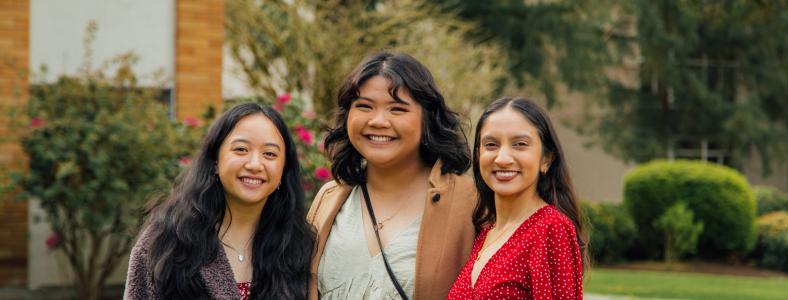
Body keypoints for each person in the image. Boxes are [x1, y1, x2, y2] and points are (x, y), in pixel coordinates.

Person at [307, 51, 476, 300]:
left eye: (397, 109)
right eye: (364, 106)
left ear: (427, 120)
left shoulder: (469, 202)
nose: (378, 121)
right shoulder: (329, 198)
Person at [124, 103, 316, 300]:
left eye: (270, 154)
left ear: (284, 170)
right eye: (241, 149)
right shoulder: (166, 242)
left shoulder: (299, 248)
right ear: (215, 161)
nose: (255, 165)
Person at [448, 97, 587, 299]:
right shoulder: (486, 234)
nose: (503, 158)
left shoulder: (551, 229)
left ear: (546, 159)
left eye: (520, 144)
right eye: (491, 144)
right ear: (478, 155)